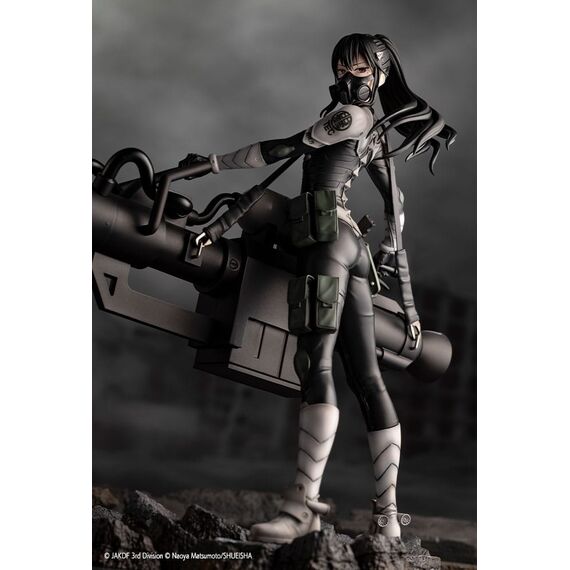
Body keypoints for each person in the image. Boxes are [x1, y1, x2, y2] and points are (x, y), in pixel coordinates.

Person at [187, 33, 456, 544]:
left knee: (316, 364)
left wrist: (216, 163)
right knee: (368, 378)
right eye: (341, 69)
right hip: (350, 244)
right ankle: (387, 518)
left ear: (379, 75)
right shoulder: (374, 133)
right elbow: (396, 203)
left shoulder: (348, 117)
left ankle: (301, 509)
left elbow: (280, 150)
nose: (347, 78)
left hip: (326, 239)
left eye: (359, 70)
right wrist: (385, 246)